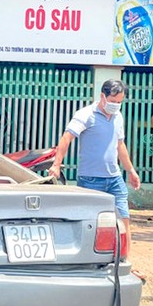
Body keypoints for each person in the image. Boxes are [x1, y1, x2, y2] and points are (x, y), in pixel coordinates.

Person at [48, 79, 140, 248]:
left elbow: (120, 145)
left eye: (120, 102)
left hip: (115, 178)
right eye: (113, 102)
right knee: (91, 223)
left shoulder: (118, 116)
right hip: (91, 180)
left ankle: (125, 259)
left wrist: (131, 171)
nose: (116, 106)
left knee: (124, 218)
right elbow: (67, 137)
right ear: (102, 96)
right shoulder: (85, 114)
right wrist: (56, 164)